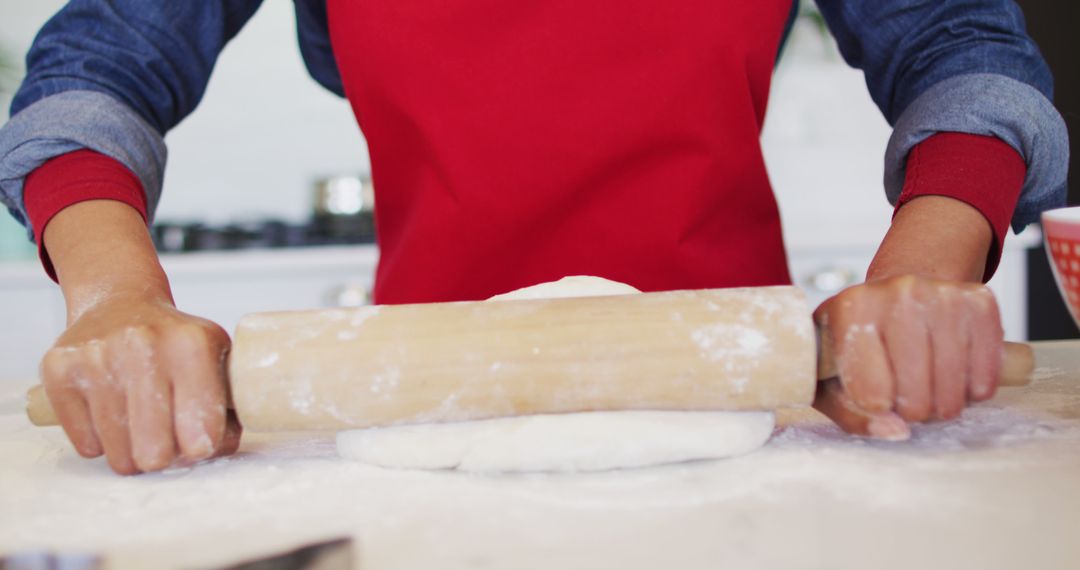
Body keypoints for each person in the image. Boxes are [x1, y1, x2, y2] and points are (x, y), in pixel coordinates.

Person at [0, 0, 1068, 475]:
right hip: (414, 417)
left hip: (758, 406)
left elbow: (961, 49)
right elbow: (95, 72)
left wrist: (924, 274)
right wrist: (113, 300)